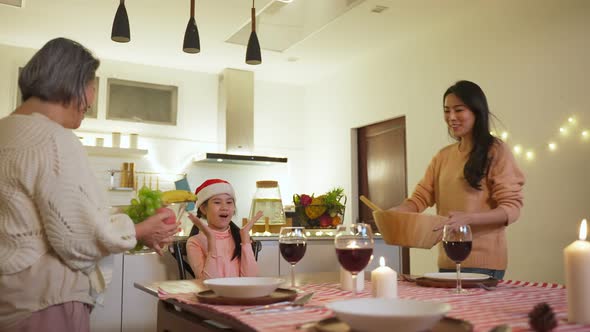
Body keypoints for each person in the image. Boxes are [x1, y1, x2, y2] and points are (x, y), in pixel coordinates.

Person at [0, 38, 179, 332]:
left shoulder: (6, 131)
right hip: (44, 303)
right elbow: (80, 238)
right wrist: (140, 230)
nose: (92, 99)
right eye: (93, 85)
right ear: (74, 84)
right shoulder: (53, 139)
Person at [391, 80, 525, 280]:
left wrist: (468, 219)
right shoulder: (443, 156)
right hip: (447, 260)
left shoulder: (496, 150)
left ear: (476, 112)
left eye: (458, 110)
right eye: (446, 111)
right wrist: (394, 213)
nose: (451, 117)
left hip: (484, 265)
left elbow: (512, 209)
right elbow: (419, 199)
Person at [187, 179, 263, 279]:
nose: (224, 207)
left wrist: (245, 241)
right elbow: (208, 283)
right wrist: (211, 239)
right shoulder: (194, 242)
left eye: (229, 202)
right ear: (203, 209)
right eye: (217, 202)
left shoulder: (240, 237)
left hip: (240, 294)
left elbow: (251, 280)